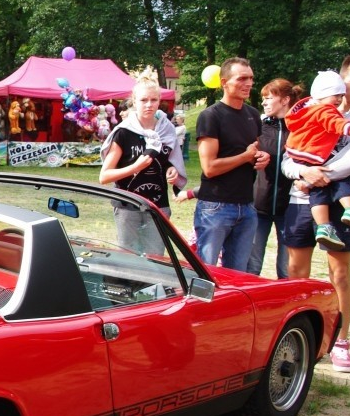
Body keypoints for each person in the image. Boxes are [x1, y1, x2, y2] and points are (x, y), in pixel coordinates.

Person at [281, 53, 350, 373]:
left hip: (339, 205)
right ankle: (293, 338)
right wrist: (301, 174)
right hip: (300, 200)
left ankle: (341, 341)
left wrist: (318, 175)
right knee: (296, 273)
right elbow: (288, 159)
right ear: (340, 81)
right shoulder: (311, 110)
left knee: (340, 275)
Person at [193, 57, 270, 271]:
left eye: (251, 78)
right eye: (242, 78)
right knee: (206, 275)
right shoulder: (211, 116)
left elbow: (252, 152)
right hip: (215, 206)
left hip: (246, 205)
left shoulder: (253, 115)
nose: (249, 83)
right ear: (224, 82)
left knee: (237, 275)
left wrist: (261, 158)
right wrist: (245, 157)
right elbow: (209, 167)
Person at [284, 70, 350, 248]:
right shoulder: (326, 111)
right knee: (344, 180)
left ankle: (324, 227)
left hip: (302, 158)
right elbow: (337, 124)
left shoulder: (306, 110)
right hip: (312, 167)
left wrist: (307, 179)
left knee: (318, 193)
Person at [99, 79, 187, 255]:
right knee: (129, 258)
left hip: (158, 206)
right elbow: (104, 176)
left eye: (154, 100)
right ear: (134, 100)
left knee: (155, 258)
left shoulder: (166, 129)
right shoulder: (124, 132)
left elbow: (169, 161)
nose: (149, 105)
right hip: (127, 205)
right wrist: (135, 167)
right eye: (143, 100)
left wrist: (172, 170)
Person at [247, 79, 302, 278]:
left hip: (290, 207)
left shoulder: (301, 127)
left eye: (269, 98)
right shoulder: (259, 125)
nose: (264, 102)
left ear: (285, 100)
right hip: (259, 205)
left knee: (286, 269)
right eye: (263, 99)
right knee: (251, 266)